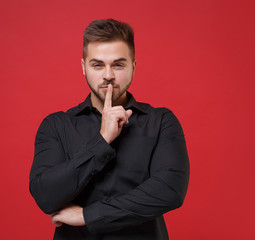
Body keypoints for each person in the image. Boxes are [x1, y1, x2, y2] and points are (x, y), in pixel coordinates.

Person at [29, 19, 190, 240]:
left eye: (118, 64)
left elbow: (170, 191)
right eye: (97, 65)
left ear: (133, 66)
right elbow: (45, 195)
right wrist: (102, 140)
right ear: (83, 67)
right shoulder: (56, 125)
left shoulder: (161, 121)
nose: (108, 75)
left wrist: (88, 215)